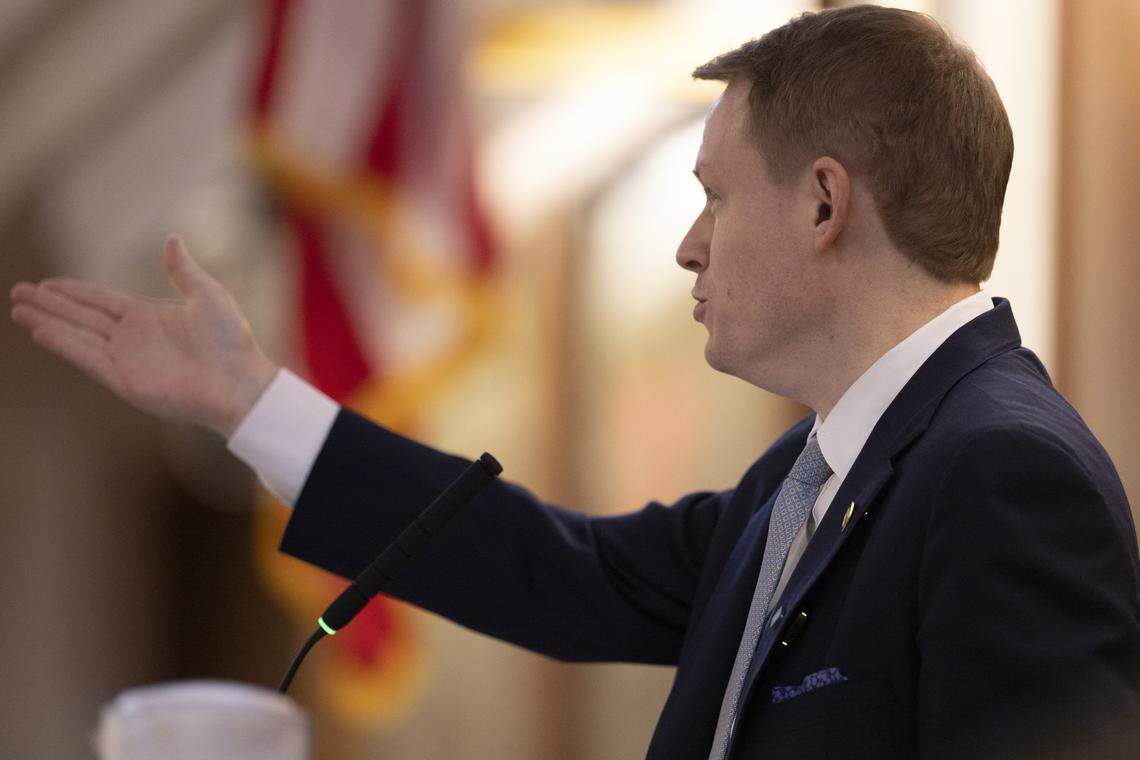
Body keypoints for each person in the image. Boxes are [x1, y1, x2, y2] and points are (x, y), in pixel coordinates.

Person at [9, 5, 1140, 758]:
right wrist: (249, 402)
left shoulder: (1000, 474)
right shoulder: (806, 478)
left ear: (824, 203)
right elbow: (561, 573)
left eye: (717, 197)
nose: (690, 246)